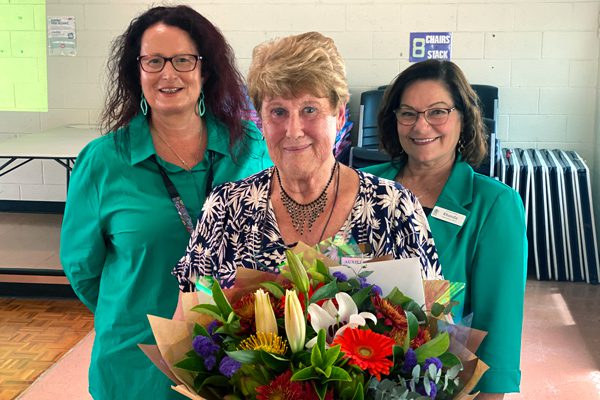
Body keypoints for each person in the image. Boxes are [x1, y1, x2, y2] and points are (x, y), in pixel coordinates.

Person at [60, 5, 271, 399]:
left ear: (205, 70)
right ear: (136, 71)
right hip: (136, 364)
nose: (168, 74)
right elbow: (82, 270)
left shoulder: (253, 148)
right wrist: (134, 310)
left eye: (183, 60)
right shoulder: (104, 161)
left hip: (240, 360)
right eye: (153, 61)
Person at [172, 31, 442, 301]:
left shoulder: (394, 208)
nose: (293, 130)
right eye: (278, 112)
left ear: (338, 115)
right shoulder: (225, 210)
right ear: (261, 121)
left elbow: (435, 322)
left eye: (309, 110)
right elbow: (189, 323)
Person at [364, 59, 527, 398]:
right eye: (407, 113)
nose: (421, 127)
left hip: (439, 385)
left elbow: (499, 323)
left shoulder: (494, 204)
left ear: (463, 119)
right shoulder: (365, 185)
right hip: (357, 372)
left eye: (437, 112)